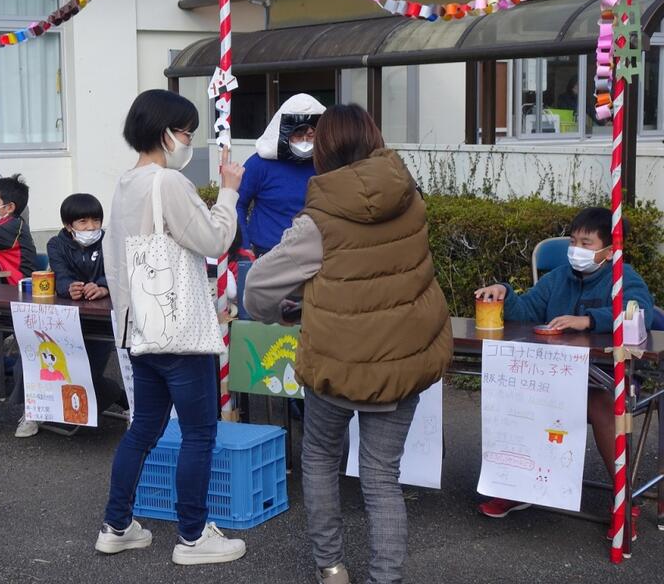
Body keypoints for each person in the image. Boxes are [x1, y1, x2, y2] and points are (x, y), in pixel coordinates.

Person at [243, 104, 453, 584]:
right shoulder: (411, 197)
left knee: (320, 458)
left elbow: (258, 288)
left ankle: (332, 567)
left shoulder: (318, 221)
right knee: (382, 476)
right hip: (403, 359)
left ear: (322, 151)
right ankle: (386, 578)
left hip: (336, 363)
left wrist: (282, 312)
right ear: (374, 138)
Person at [96, 89, 247, 565]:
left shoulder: (125, 184)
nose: (189, 141)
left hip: (141, 328)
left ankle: (116, 525)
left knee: (143, 428)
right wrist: (229, 190)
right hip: (181, 332)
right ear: (166, 133)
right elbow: (215, 239)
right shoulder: (169, 183)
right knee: (200, 434)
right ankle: (193, 536)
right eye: (186, 132)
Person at [474, 207, 653, 540]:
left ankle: (623, 498)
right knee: (514, 392)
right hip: (554, 376)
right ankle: (514, 485)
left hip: (608, 376)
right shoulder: (558, 277)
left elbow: (641, 312)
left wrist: (589, 320)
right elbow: (526, 310)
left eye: (586, 243)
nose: (576, 249)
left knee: (602, 403)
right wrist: (504, 293)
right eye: (573, 241)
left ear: (609, 250)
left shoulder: (624, 277)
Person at [12, 193, 127, 438]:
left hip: (101, 320)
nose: (91, 227)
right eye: (83, 222)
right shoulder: (56, 244)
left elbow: (118, 271)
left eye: (96, 221)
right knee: (32, 362)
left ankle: (120, 398)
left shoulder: (109, 242)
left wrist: (103, 286)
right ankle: (32, 411)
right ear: (68, 225)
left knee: (85, 374)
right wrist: (68, 288)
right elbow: (60, 275)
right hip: (61, 320)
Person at [236, 93, 326, 257]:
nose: (305, 141)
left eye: (311, 135)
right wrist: (244, 245)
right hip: (268, 252)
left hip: (315, 252)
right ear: (285, 132)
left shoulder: (325, 164)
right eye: (298, 135)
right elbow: (237, 203)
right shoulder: (259, 164)